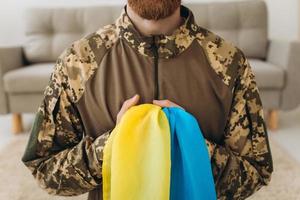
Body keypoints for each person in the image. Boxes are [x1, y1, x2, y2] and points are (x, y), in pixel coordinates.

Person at [21, 0, 273, 199]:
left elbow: (256, 172)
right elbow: (44, 169)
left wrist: (188, 144)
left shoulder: (229, 63)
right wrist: (112, 146)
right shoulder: (79, 62)